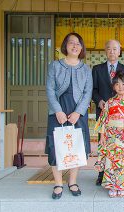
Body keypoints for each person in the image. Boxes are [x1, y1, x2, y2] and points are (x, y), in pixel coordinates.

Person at [45, 32, 93, 199]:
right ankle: (58, 183)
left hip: (77, 112)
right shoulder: (55, 66)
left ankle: (72, 182)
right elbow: (50, 90)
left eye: (78, 43)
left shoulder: (86, 69)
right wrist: (57, 110)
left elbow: (88, 93)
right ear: (65, 46)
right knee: (55, 146)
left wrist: (78, 112)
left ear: (81, 48)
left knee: (76, 147)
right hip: (57, 111)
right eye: (71, 43)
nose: (74, 46)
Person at [94, 71, 124, 198]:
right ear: (114, 86)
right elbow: (103, 119)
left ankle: (122, 185)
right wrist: (102, 135)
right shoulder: (109, 102)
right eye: (117, 84)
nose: (120, 87)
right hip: (111, 137)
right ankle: (112, 185)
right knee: (111, 161)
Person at [92, 39, 124, 186]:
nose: (112, 51)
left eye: (115, 49)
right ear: (105, 50)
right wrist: (99, 100)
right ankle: (101, 173)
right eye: (109, 49)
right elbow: (93, 89)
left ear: (120, 51)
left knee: (120, 146)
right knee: (103, 144)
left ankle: (120, 174)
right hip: (104, 112)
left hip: (121, 116)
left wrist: (123, 103)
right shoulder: (97, 69)